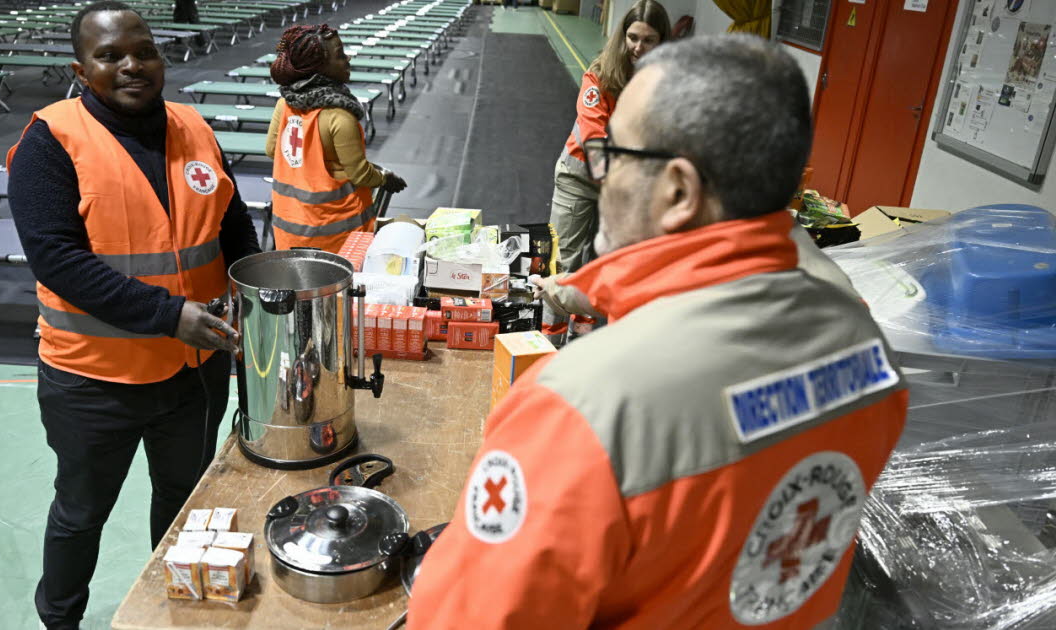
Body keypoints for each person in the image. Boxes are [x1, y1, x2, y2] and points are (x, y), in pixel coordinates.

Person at [407, 35, 909, 629]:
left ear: (676, 191)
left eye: (612, 154)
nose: (599, 175)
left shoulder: (584, 407)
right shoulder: (867, 346)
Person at [5, 2, 260, 628]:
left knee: (183, 505)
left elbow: (232, 225)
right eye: (110, 55)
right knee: (80, 513)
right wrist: (170, 314)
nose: (131, 65)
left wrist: (258, 292)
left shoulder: (194, 128)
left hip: (192, 371)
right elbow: (58, 261)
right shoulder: (51, 141)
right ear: (80, 68)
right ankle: (60, 619)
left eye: (143, 51)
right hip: (93, 380)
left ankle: (172, 612)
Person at [548, 0, 669, 273]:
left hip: (625, 182)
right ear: (622, 36)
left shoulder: (665, 84)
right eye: (633, 38)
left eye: (649, 40)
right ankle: (550, 317)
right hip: (579, 176)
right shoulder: (599, 75)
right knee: (563, 263)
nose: (639, 47)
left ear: (662, 42)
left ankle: (591, 317)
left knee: (611, 268)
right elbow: (593, 135)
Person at [265, 24, 407, 253]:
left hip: (288, 225)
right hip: (335, 234)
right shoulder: (339, 117)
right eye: (340, 55)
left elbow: (273, 150)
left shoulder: (285, 104)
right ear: (319, 68)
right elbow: (360, 173)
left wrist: (315, 165)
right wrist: (384, 178)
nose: (347, 59)